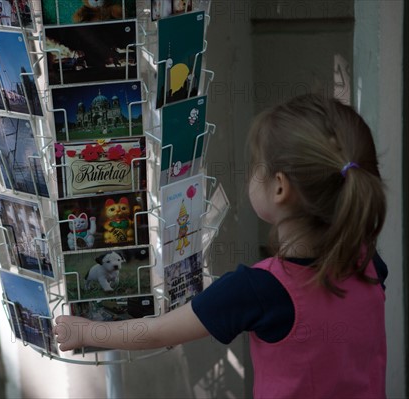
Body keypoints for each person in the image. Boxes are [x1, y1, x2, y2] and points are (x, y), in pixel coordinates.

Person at [53, 94, 388, 398]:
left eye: (257, 165)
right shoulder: (370, 265)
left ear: (280, 188)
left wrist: (87, 331)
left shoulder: (258, 290)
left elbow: (156, 332)